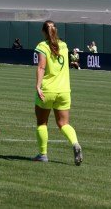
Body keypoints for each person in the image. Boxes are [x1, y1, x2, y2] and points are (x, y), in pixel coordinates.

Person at [33, 20, 82, 165]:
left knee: (42, 123)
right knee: (64, 123)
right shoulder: (64, 45)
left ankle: (43, 154)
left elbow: (41, 67)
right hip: (64, 90)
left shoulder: (42, 46)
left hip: (48, 90)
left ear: (43, 31)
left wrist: (38, 86)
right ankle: (75, 143)